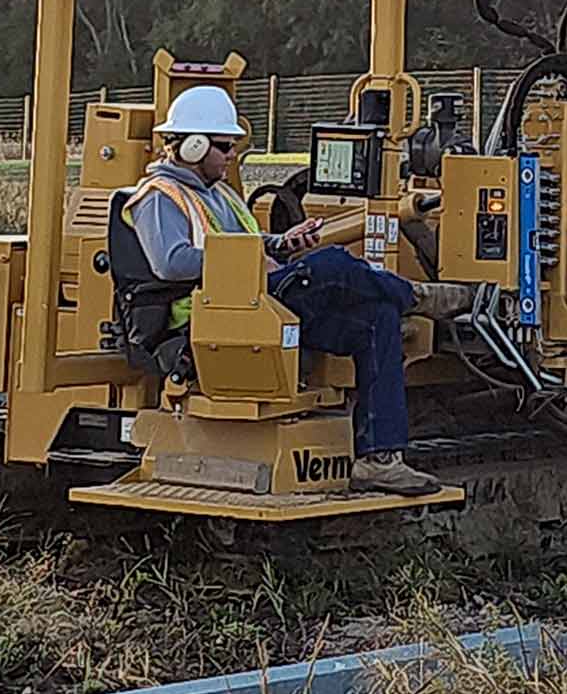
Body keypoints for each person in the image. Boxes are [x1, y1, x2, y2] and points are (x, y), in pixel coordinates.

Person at [124, 84, 468, 498]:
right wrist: (251, 258)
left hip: (258, 301)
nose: (232, 154)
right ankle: (417, 296)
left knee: (377, 322)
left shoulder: (218, 194)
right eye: (224, 146)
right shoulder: (159, 198)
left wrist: (280, 243)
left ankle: (379, 459)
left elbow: (242, 242)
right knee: (333, 264)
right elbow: (171, 262)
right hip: (217, 311)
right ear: (194, 146)